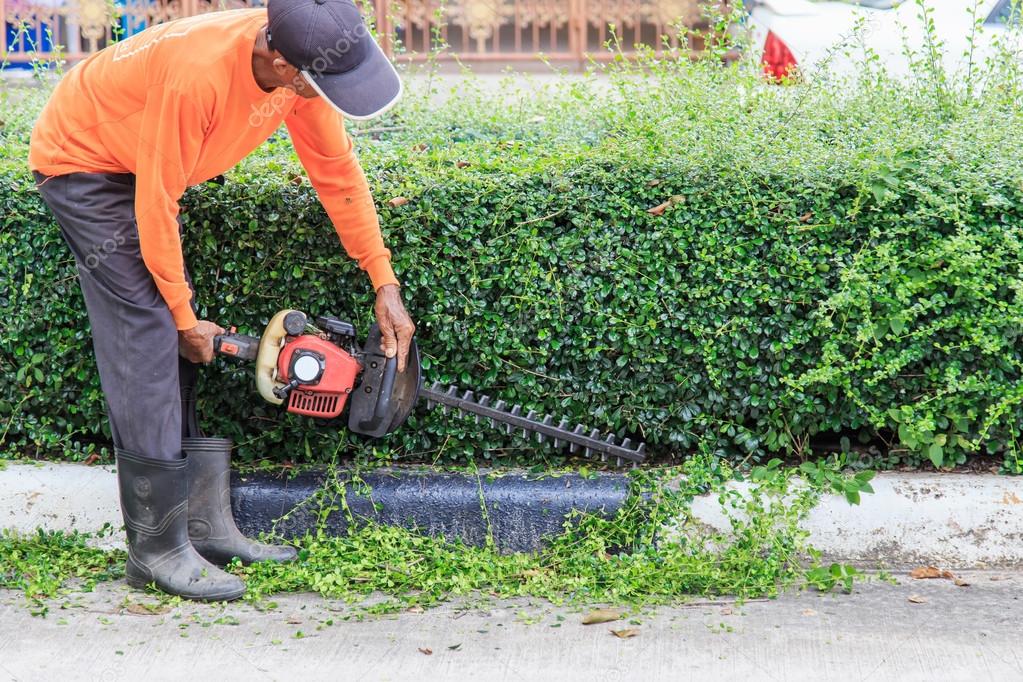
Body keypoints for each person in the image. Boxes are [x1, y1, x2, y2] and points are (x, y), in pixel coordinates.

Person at [28, 0, 416, 601]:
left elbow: (336, 171)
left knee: (171, 328)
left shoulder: (297, 74)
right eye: (325, 83)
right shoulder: (198, 75)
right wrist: (182, 319)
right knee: (149, 329)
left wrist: (382, 281)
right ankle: (155, 549)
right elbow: (155, 204)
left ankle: (203, 527)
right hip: (85, 163)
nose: (328, 93)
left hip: (146, 157)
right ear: (282, 62)